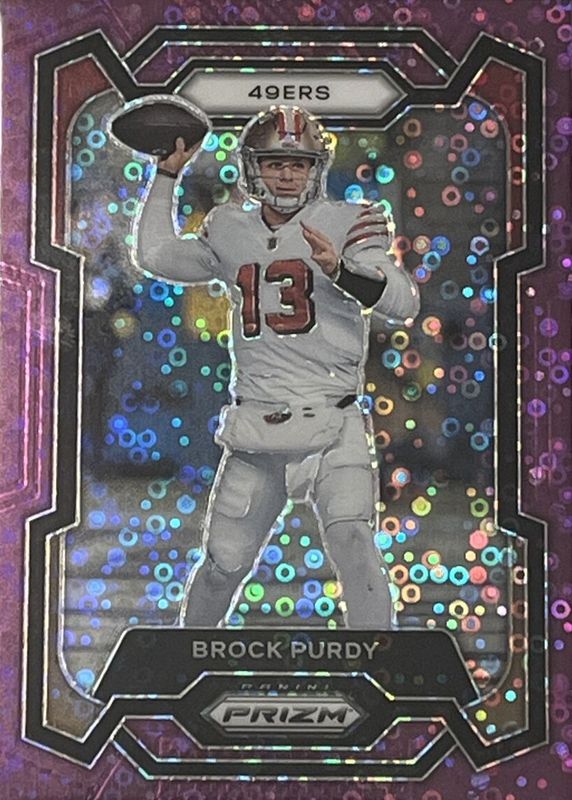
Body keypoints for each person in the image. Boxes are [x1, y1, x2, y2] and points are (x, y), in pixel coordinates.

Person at [134, 104, 420, 628]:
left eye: (299, 164)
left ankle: (382, 660)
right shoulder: (228, 227)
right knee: (221, 566)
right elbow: (154, 255)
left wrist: (341, 270)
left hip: (334, 417)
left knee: (354, 541)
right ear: (252, 167)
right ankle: (187, 656)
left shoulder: (349, 220)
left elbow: (402, 302)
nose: (287, 175)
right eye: (274, 163)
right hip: (257, 420)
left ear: (317, 169)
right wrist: (167, 175)